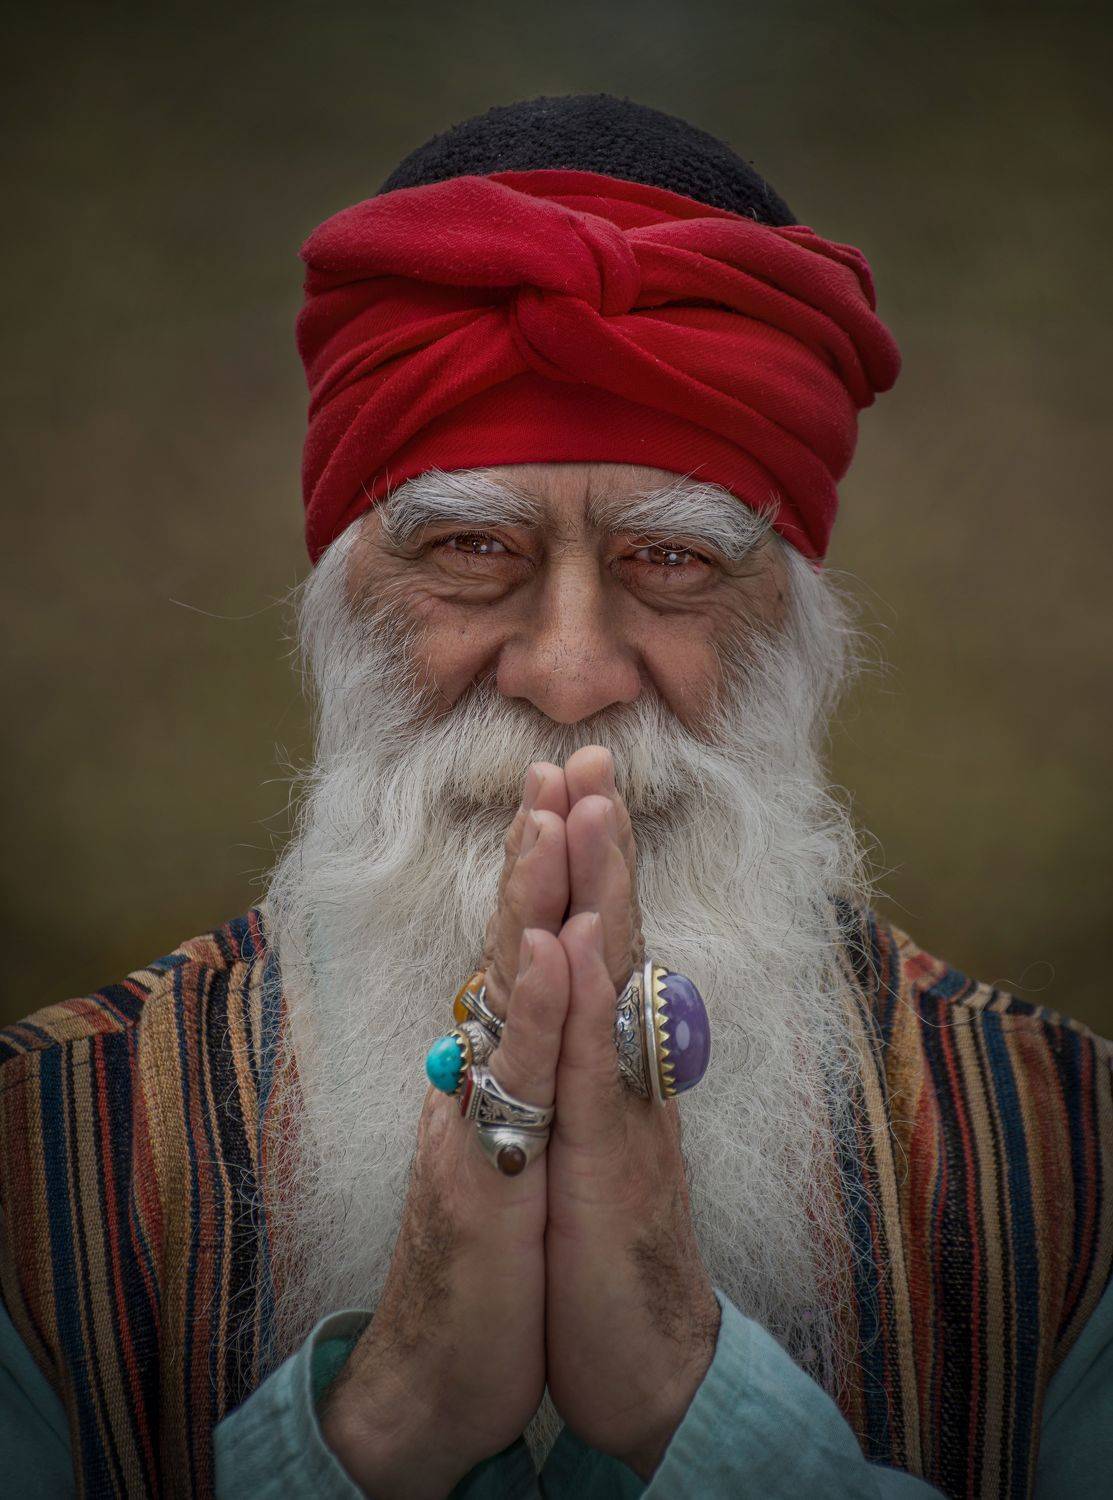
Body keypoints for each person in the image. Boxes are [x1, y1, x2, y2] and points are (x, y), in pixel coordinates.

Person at [1, 94, 1109, 1500]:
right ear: (339, 607)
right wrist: (383, 1421)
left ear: (799, 628)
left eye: (673, 562)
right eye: (469, 547)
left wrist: (684, 1400)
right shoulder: (34, 1159)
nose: (573, 671)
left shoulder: (1075, 1167)